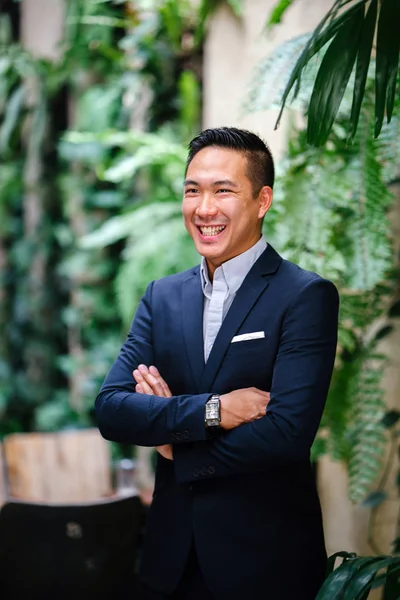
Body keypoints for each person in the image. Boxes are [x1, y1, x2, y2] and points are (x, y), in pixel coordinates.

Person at [95, 127, 339, 600]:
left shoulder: (304, 296)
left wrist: (171, 443)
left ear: (262, 200)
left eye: (222, 190)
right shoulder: (161, 297)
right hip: (168, 564)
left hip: (265, 564)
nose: (204, 209)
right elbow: (111, 408)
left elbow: (286, 434)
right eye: (193, 191)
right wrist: (214, 411)